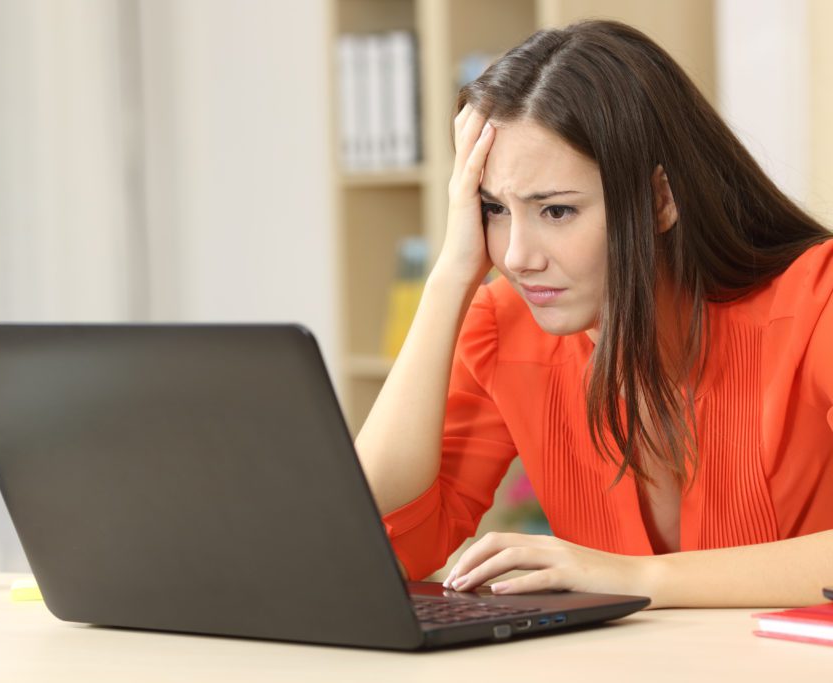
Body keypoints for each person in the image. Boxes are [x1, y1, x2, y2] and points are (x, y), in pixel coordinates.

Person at [355, 19, 833, 609]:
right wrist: (450, 274)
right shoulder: (503, 324)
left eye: (555, 211)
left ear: (660, 199)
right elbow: (382, 540)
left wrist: (634, 579)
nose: (517, 256)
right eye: (494, 209)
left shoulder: (817, 302)